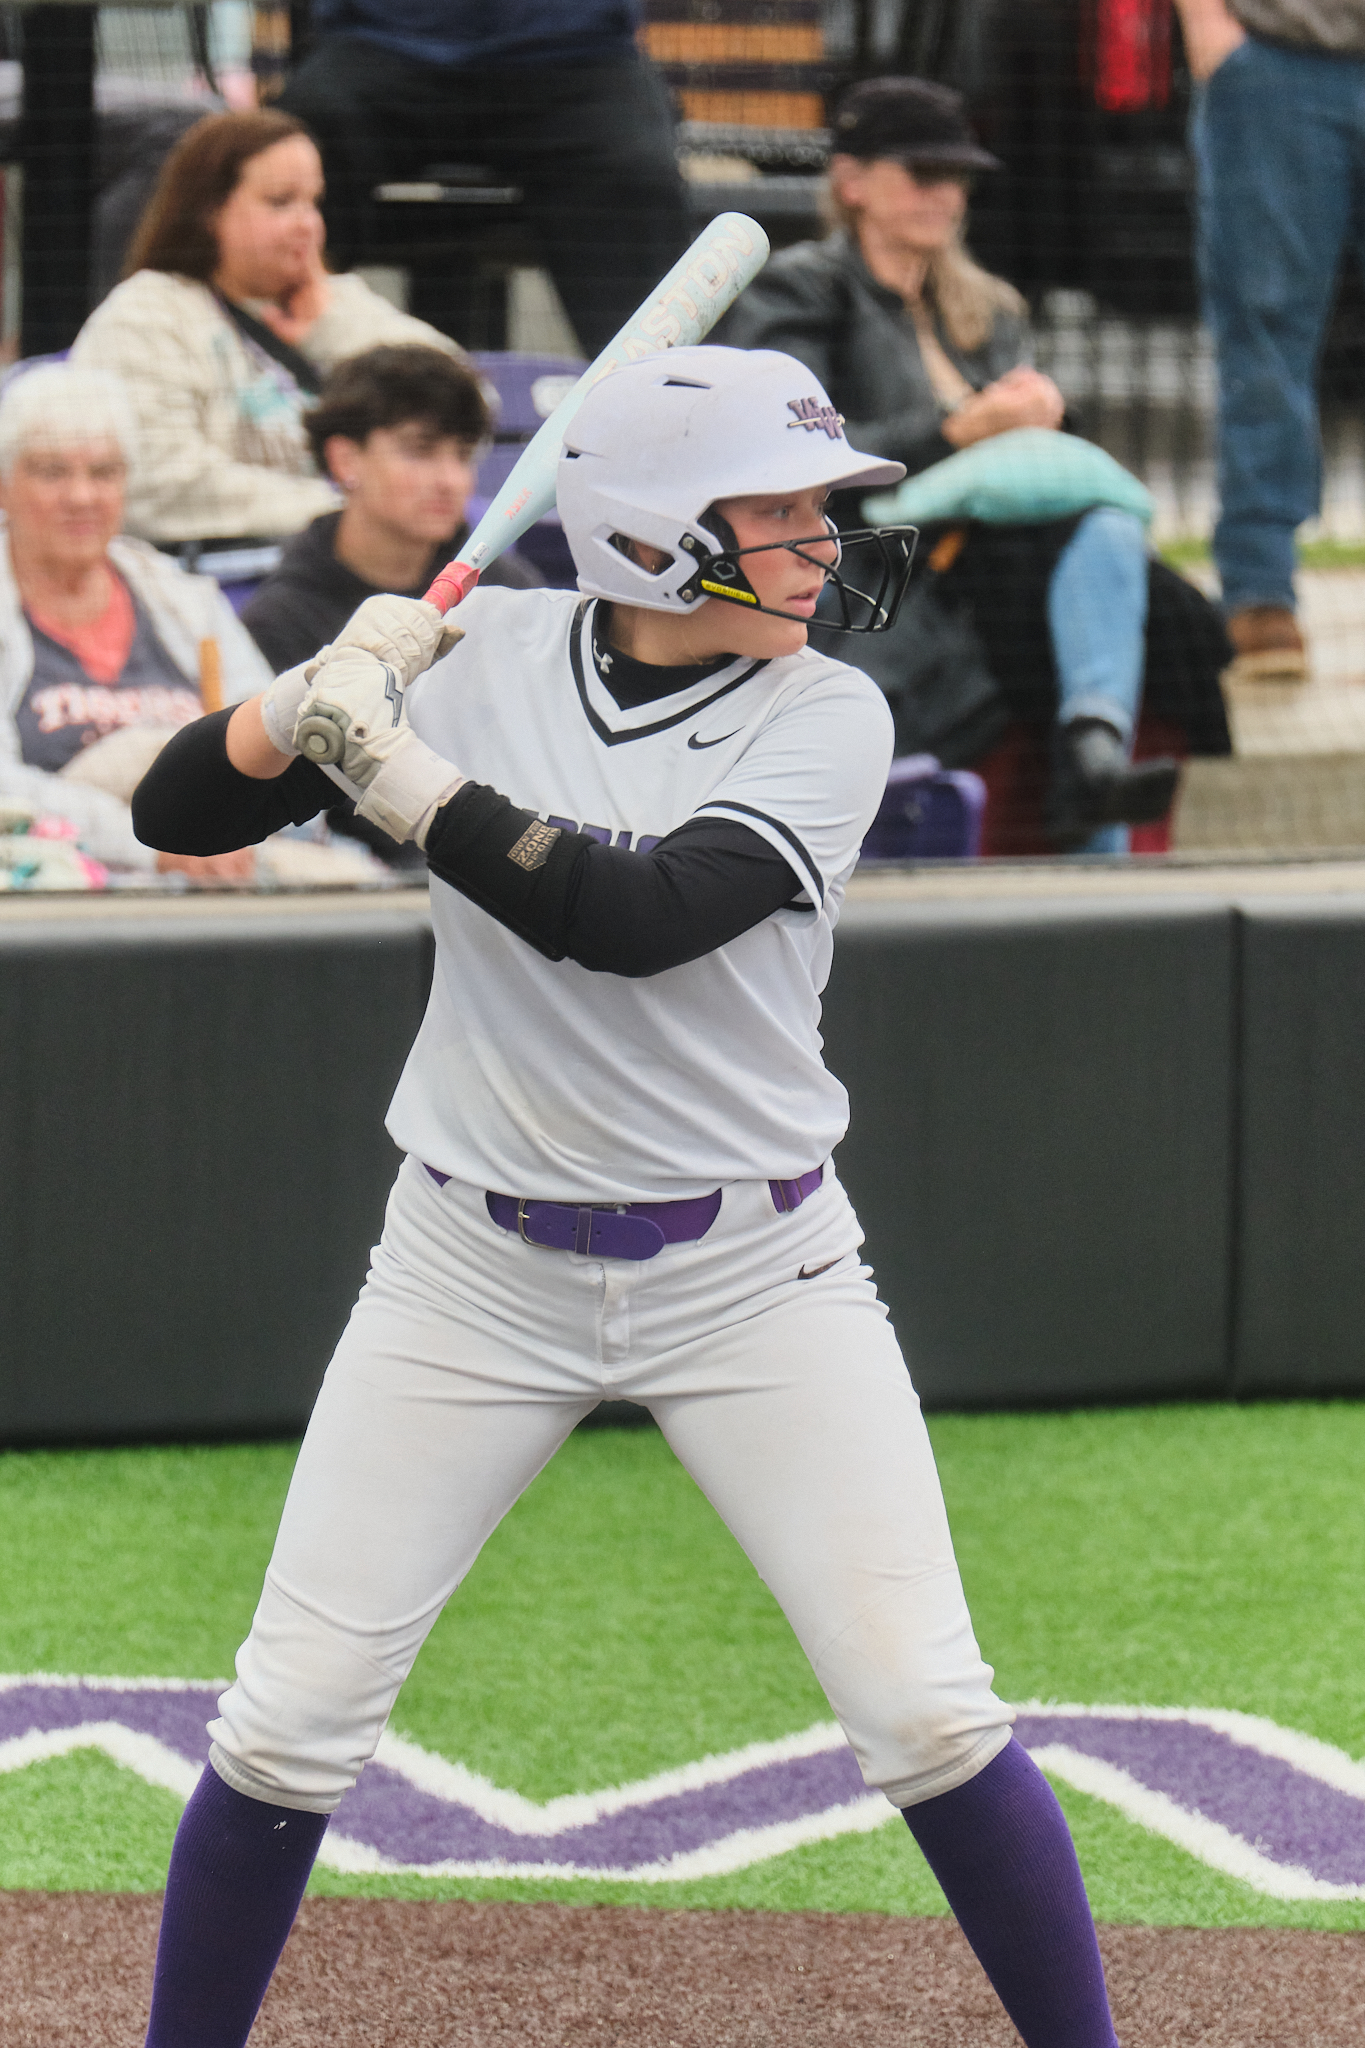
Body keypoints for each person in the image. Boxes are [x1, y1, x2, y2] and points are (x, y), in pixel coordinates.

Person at [130, 345, 1120, 2048]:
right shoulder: (482, 650)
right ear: (656, 536)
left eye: (821, 508)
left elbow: (639, 917)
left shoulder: (829, 711)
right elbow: (174, 807)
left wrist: (398, 775)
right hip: (465, 1267)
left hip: (757, 1272)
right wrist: (301, 703)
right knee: (286, 1725)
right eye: (782, 511)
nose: (824, 543)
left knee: (928, 1712)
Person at [721, 75, 1203, 853]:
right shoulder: (800, 288)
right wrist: (958, 429)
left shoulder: (989, 308)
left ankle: (1095, 744)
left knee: (1111, 531)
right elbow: (794, 452)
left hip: (1002, 560)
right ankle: (1091, 766)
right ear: (850, 181)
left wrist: (1045, 418)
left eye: (958, 177)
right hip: (889, 563)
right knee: (1092, 556)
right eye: (923, 172)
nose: (944, 194)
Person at [71, 109, 463, 549]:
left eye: (314, 202)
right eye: (280, 202)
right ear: (209, 210)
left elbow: (466, 404)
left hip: (357, 563)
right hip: (221, 572)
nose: (307, 225)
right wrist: (349, 513)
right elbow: (158, 485)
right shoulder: (148, 315)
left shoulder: (335, 303)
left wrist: (332, 328)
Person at [276, 0, 688, 358]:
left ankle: (657, 397)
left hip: (574, 53)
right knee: (290, 153)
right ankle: (273, 368)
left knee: (636, 176)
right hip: (381, 46)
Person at [0, 364, 270, 879]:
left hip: (220, 872)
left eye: (104, 473)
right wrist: (152, 846)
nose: (82, 497)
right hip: (52, 887)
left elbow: (269, 729)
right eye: (52, 473)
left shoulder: (185, 599)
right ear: (3, 486)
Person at [1175, 0, 1365, 680]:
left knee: (1268, 329)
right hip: (1278, 59)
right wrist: (1208, 24)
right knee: (1265, 326)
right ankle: (1260, 590)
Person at [241, 344, 539, 676]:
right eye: (420, 451)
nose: (451, 480)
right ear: (345, 459)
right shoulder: (280, 623)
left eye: (463, 454)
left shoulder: (507, 589)